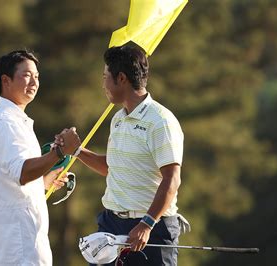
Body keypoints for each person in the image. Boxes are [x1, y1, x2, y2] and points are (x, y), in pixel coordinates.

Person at [58, 45, 189, 265]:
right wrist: (77, 151)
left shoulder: (161, 121)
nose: (103, 85)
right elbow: (112, 168)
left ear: (121, 79)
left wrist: (147, 223)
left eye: (105, 77)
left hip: (151, 228)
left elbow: (172, 179)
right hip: (111, 226)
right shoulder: (118, 119)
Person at [0, 50, 81, 266]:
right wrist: (59, 152)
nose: (34, 81)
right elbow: (21, 172)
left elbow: (12, 181)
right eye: (27, 75)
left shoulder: (12, 120)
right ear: (6, 80)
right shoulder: (6, 123)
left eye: (37, 76)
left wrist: (45, 181)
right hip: (13, 249)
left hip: (13, 244)